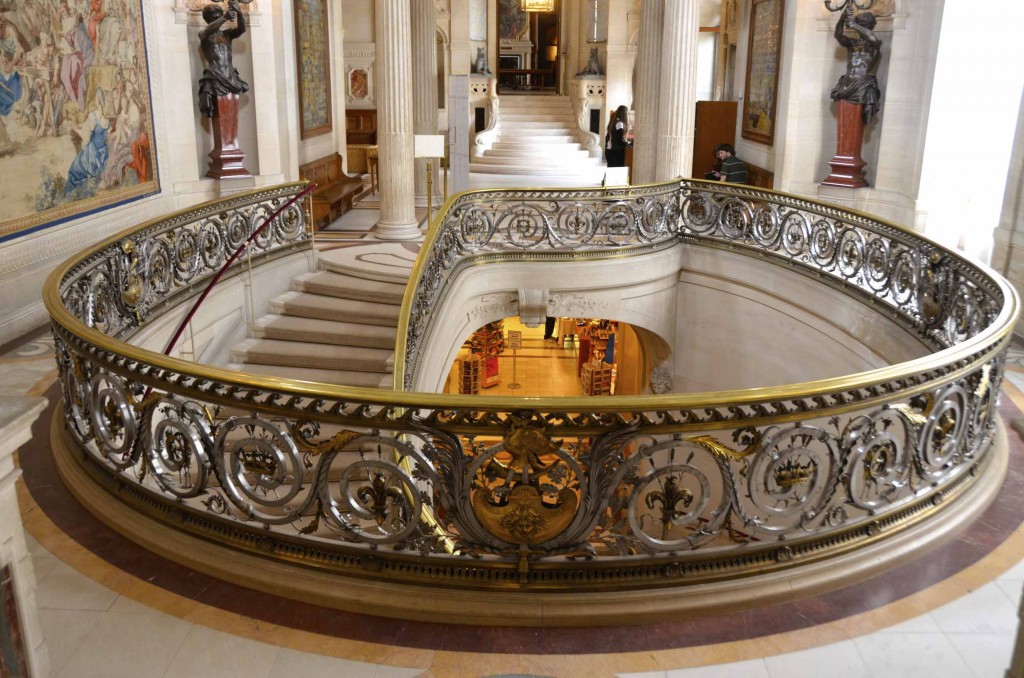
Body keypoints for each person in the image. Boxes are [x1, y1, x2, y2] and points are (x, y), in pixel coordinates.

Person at [197, 0, 248, 119]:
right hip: (215, 77)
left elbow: (241, 29)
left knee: (231, 115)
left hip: (231, 77)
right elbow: (205, 31)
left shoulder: (227, 34)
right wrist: (225, 18)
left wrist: (239, 12)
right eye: (213, 18)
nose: (217, 19)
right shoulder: (204, 34)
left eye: (218, 16)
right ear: (207, 20)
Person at [830, 9, 881, 124]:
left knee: (855, 122)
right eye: (861, 23)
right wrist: (842, 18)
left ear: (870, 25)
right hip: (846, 85)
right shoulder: (852, 43)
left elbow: (873, 38)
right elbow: (838, 35)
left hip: (861, 86)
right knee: (844, 121)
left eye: (863, 24)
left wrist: (853, 25)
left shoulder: (874, 44)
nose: (862, 26)